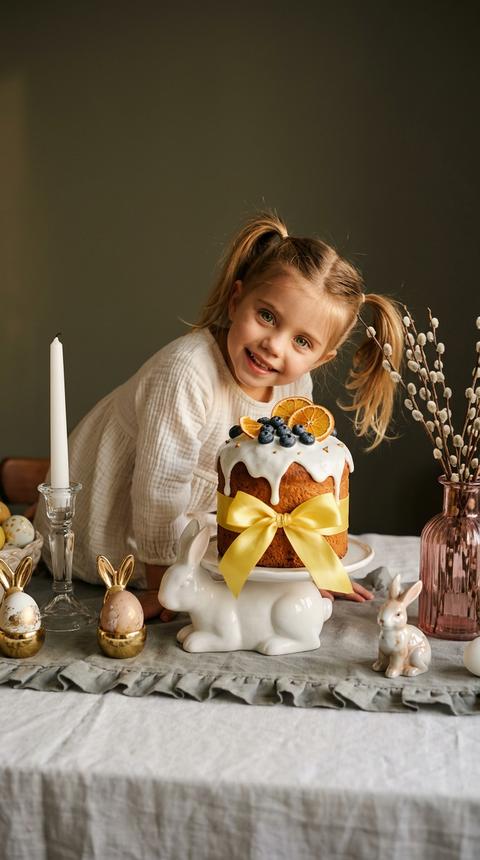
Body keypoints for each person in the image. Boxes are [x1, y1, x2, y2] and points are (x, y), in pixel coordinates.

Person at [35, 211, 404, 620]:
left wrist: (313, 567)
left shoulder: (294, 391)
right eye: (267, 316)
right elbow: (159, 491)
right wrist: (165, 587)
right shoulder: (189, 372)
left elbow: (283, 490)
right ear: (236, 300)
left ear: (321, 359)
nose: (274, 346)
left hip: (193, 548)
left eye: (302, 341)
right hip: (109, 540)